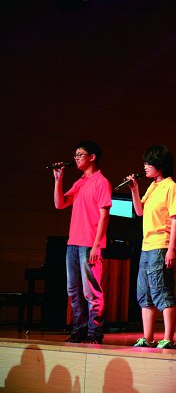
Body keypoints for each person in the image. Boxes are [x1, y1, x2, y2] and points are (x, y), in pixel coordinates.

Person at [53, 140, 112, 344]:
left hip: (89, 244)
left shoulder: (101, 182)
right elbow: (60, 204)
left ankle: (94, 333)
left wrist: (96, 245)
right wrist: (58, 179)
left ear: (92, 157)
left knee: (91, 291)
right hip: (73, 243)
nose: (76, 158)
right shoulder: (80, 182)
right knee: (73, 290)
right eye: (75, 155)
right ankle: (79, 331)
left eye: (80, 154)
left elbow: (104, 216)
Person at [126, 145, 176, 350]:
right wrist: (134, 190)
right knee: (145, 293)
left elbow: (175, 219)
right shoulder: (152, 187)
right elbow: (139, 211)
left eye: (149, 163)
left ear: (160, 164)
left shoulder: (171, 187)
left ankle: (168, 338)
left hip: (161, 245)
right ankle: (148, 337)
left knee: (162, 290)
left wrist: (171, 248)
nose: (145, 166)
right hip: (146, 246)